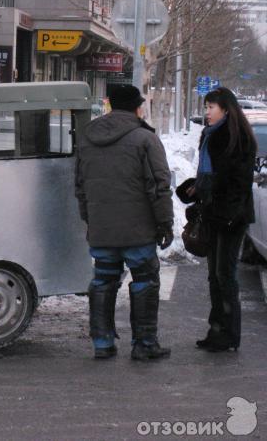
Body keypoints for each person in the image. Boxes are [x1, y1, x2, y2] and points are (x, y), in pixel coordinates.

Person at [75, 85, 174, 361]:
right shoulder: (145, 139)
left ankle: (102, 343)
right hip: (138, 230)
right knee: (145, 280)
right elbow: (159, 186)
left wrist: (90, 219)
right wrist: (165, 224)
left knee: (103, 281)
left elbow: (80, 186)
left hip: (102, 229)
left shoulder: (88, 138)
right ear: (136, 107)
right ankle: (144, 343)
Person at [178, 87, 256, 352]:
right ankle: (216, 329)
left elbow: (239, 184)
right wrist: (195, 188)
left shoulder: (239, 137)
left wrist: (227, 214)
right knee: (214, 276)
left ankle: (230, 334)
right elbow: (210, 176)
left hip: (231, 217)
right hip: (213, 213)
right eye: (206, 107)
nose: (207, 112)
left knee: (225, 275)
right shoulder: (209, 136)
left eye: (211, 107)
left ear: (226, 109)